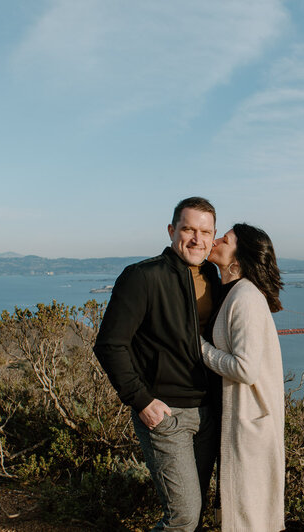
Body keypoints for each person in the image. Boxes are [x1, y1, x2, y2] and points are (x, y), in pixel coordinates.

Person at [94, 197, 222, 532]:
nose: (197, 239)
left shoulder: (213, 276)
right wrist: (142, 401)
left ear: (213, 236)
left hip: (207, 413)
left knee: (195, 515)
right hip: (166, 413)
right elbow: (110, 344)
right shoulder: (142, 276)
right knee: (183, 518)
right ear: (171, 230)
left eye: (205, 231)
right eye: (188, 229)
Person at [200, 223, 285, 532]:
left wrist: (199, 347)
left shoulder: (246, 297)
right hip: (233, 423)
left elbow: (245, 368)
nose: (216, 240)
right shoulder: (228, 292)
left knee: (246, 518)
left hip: (248, 428)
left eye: (226, 238)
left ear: (237, 258)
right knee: (235, 511)